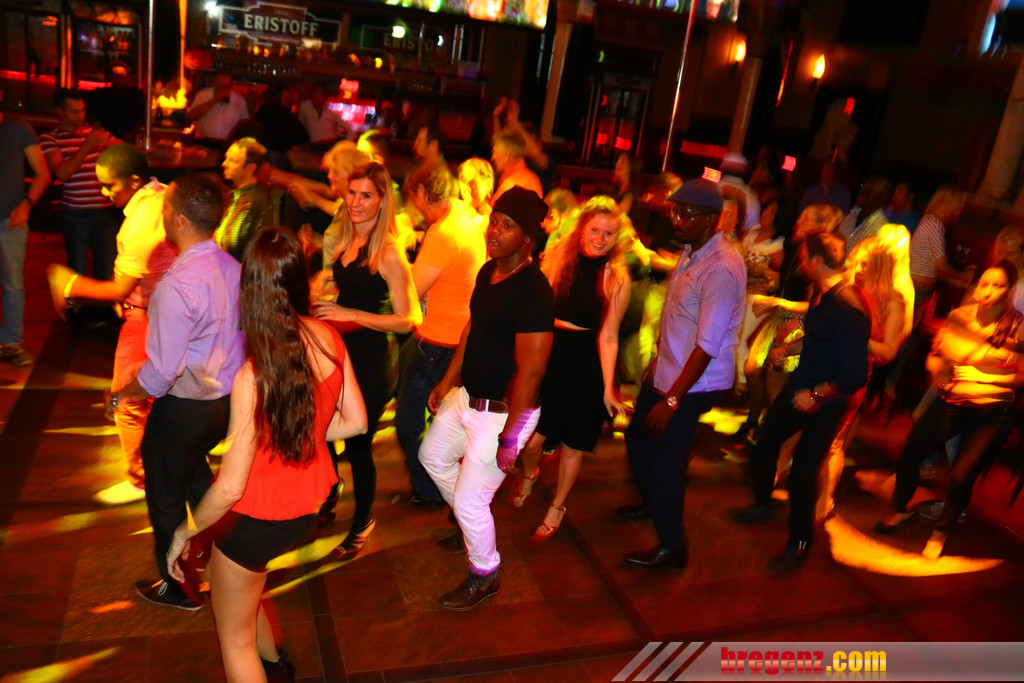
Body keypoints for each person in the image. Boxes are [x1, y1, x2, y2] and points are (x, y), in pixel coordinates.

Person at [166, 227, 366, 681]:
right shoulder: (328, 338)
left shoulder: (253, 376)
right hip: (304, 510)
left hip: (254, 519)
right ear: (299, 281)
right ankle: (274, 663)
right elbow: (356, 422)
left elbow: (230, 488)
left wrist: (184, 532)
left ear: (251, 292)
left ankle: (264, 663)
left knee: (232, 639)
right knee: (246, 590)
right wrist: (304, 432)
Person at [112, 173, 246, 610]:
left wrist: (122, 395)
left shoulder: (177, 284)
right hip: (224, 403)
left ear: (181, 220)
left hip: (185, 408)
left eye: (166, 207)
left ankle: (178, 586)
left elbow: (162, 372)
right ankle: (227, 561)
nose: (163, 214)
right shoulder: (233, 268)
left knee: (166, 494)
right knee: (197, 478)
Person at [419, 186, 553, 610]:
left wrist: (511, 438)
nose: (493, 230)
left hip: (502, 413)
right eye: (494, 220)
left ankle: (485, 572)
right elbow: (472, 328)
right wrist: (447, 380)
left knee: (470, 500)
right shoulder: (488, 272)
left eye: (506, 225)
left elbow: (532, 372)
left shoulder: (533, 293)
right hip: (468, 396)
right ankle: (470, 524)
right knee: (431, 457)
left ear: (527, 239)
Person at [618, 179, 746, 571]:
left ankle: (673, 548)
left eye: (686, 214)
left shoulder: (720, 268)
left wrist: (672, 400)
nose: (677, 220)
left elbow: (707, 345)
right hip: (668, 372)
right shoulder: (693, 250)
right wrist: (658, 359)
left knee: (666, 461)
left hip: (694, 384)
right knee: (639, 439)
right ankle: (655, 502)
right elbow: (677, 316)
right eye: (675, 212)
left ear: (712, 220)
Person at [735, 232, 871, 572]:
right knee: (764, 446)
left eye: (804, 258)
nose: (800, 264)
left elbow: (854, 374)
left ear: (818, 261)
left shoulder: (850, 308)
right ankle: (764, 504)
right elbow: (819, 338)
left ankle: (799, 545)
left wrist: (815, 395)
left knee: (802, 476)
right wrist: (788, 348)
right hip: (799, 388)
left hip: (825, 404)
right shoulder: (821, 293)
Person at [47, 144, 176, 505]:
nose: (104, 193)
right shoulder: (165, 195)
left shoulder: (140, 222)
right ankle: (168, 468)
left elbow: (120, 288)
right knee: (162, 396)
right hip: (172, 314)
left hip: (147, 318)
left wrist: (69, 285)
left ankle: (140, 480)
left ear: (133, 181)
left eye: (110, 185)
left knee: (129, 400)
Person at [875, 261, 1024, 560]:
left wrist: (985, 376)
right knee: (910, 454)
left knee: (960, 475)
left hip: (991, 411)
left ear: (1009, 291)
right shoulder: (959, 315)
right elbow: (936, 356)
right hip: (951, 402)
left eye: (997, 286)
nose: (988, 291)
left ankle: (942, 530)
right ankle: (901, 508)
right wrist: (937, 370)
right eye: (984, 284)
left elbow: (1021, 376)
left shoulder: (1017, 326)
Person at [310, 162, 422, 558]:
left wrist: (351, 313)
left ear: (382, 201)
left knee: (358, 446)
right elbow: (345, 284)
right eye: (353, 193)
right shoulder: (345, 236)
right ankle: (330, 490)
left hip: (372, 360)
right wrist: (324, 288)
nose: (356, 202)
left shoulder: (389, 251)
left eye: (367, 196)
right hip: (338, 353)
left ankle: (361, 523)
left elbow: (410, 319)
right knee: (320, 429)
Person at [514, 196, 631, 541]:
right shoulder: (559, 258)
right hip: (552, 354)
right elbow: (535, 307)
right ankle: (531, 473)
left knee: (573, 444)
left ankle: (558, 504)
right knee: (531, 440)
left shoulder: (616, 277)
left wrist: (608, 388)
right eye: (594, 230)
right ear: (581, 228)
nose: (600, 239)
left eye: (608, 233)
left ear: (617, 238)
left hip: (586, 363)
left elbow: (609, 336)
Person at [395, 162, 486, 505]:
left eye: (414, 199)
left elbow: (411, 293)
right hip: (456, 339)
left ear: (421, 192)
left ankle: (431, 491)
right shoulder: (465, 217)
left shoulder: (443, 232)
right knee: (439, 423)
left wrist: (394, 258)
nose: (416, 209)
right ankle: (438, 487)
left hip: (435, 342)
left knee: (409, 424)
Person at [816, 226, 914, 521]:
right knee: (812, 431)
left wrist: (860, 338)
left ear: (881, 268)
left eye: (865, 265)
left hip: (852, 374)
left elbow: (889, 351)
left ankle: (825, 500)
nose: (858, 269)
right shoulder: (844, 289)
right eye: (856, 262)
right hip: (822, 365)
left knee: (834, 441)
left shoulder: (892, 301)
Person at [40, 88, 120, 282]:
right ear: (60, 112)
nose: (80, 116)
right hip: (76, 214)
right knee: (77, 273)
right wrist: (86, 146)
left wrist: (108, 144)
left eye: (82, 110)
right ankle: (75, 303)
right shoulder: (51, 138)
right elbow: (62, 173)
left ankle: (101, 303)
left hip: (105, 211)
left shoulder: (97, 134)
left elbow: (129, 153)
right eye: (74, 111)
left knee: (107, 272)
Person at [0, 104, 50, 367]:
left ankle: (10, 343)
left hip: (10, 218)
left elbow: (43, 173)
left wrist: (27, 204)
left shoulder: (17, 127)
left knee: (13, 284)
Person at [216, 137, 273, 260]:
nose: (224, 164)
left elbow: (226, 244)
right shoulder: (244, 195)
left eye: (233, 161)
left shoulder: (251, 202)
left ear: (250, 168)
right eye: (226, 158)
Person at [86, 60, 146, 142]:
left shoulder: (135, 96)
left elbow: (140, 119)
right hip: (103, 141)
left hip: (127, 141)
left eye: (123, 76)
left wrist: (131, 134)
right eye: (118, 76)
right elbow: (91, 117)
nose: (121, 80)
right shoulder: (98, 95)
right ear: (110, 77)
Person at [187, 70, 250, 146]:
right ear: (214, 82)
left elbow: (246, 125)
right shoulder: (203, 95)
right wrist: (215, 100)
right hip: (203, 140)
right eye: (221, 84)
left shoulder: (239, 100)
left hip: (227, 143)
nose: (224, 88)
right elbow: (191, 116)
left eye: (227, 85)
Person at [490, 130, 543, 206]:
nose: (492, 158)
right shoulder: (532, 178)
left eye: (494, 152)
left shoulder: (512, 183)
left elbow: (494, 212)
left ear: (506, 155)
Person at [297, 82, 346, 149]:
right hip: (313, 146)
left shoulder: (329, 109)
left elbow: (345, 127)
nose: (317, 97)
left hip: (329, 144)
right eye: (315, 94)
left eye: (320, 94)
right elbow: (301, 128)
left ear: (324, 96)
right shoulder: (304, 107)